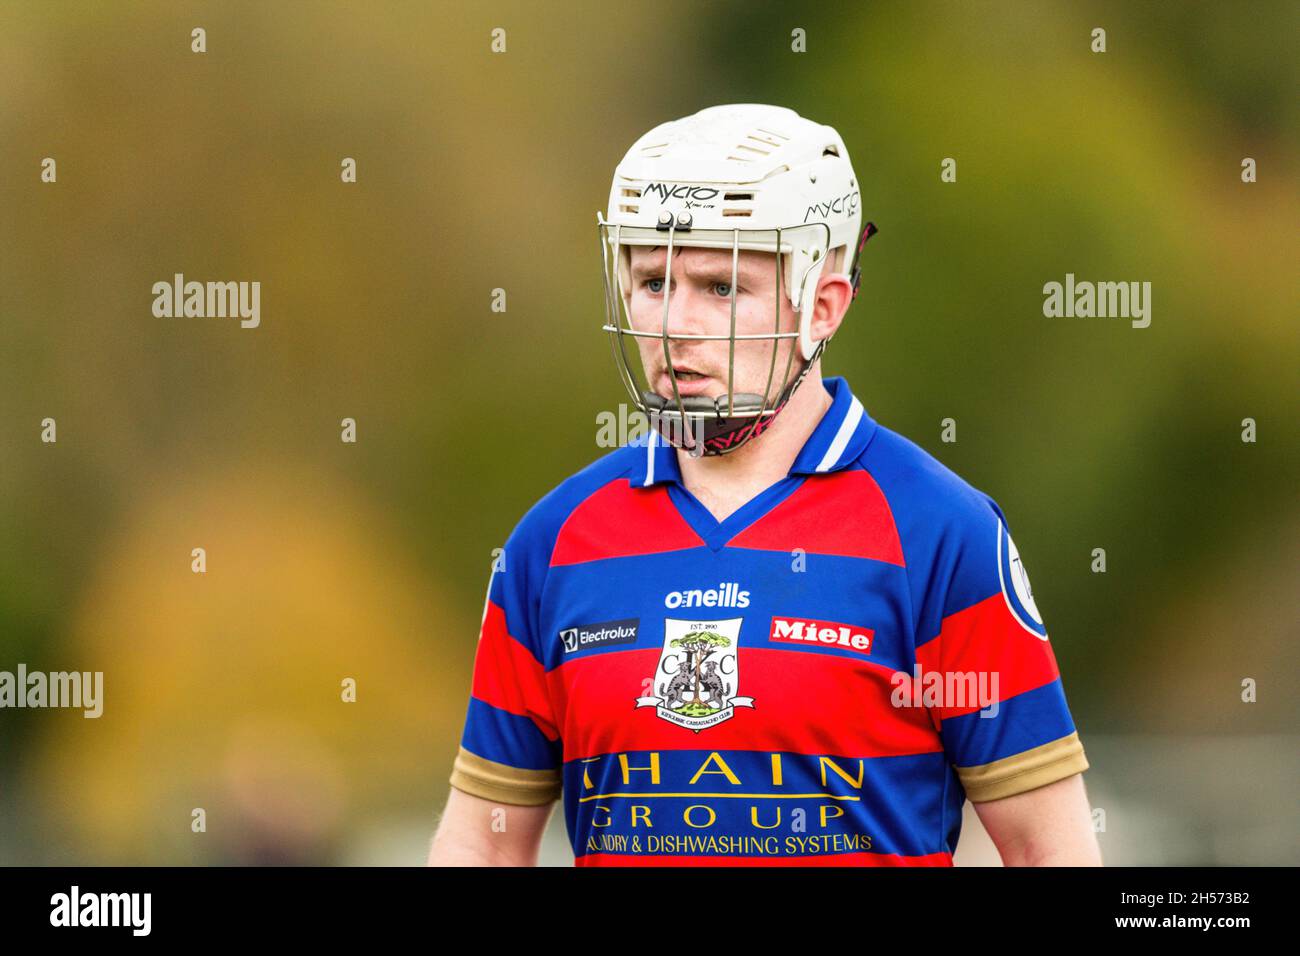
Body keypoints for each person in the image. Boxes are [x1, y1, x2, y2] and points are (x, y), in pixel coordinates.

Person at [428, 104, 1099, 866]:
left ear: (822, 304)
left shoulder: (942, 534)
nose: (673, 323)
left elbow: (1052, 852)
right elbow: (480, 846)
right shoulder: (550, 544)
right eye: (652, 281)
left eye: (720, 288)